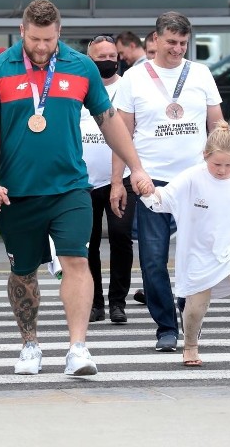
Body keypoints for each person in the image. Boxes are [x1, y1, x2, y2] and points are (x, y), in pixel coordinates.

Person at [0, 0, 153, 377]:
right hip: (17, 191)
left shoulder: (80, 66)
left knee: (76, 260)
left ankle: (78, 348)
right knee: (23, 271)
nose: (42, 48)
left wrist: (135, 167)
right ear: (23, 31)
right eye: (35, 39)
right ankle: (30, 345)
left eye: (49, 40)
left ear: (60, 33)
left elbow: (108, 121)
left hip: (71, 187)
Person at [113, 11, 223, 352]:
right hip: (151, 181)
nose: (177, 49)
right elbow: (122, 133)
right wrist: (119, 181)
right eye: (171, 42)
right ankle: (166, 326)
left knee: (198, 254)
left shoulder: (201, 73)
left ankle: (187, 309)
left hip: (195, 179)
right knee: (152, 256)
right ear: (156, 40)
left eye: (183, 43)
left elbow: (217, 124)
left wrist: (224, 165)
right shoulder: (134, 77)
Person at [141, 121, 230, 366]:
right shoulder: (192, 177)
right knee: (195, 305)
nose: (222, 170)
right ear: (205, 156)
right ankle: (190, 346)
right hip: (199, 250)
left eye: (228, 164)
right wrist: (149, 190)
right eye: (216, 164)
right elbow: (165, 197)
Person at [81, 35, 136, 324]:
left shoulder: (128, 87)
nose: (108, 61)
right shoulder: (79, 89)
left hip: (122, 178)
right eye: (100, 57)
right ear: (89, 59)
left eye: (112, 55)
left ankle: (118, 302)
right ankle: (95, 303)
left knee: (120, 238)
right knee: (87, 244)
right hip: (84, 181)